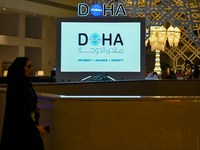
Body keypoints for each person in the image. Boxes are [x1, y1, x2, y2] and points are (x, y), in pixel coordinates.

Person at [0, 57, 47, 150]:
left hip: (30, 128)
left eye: (31, 66)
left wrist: (35, 109)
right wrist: (35, 127)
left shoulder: (26, 84)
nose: (32, 69)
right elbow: (18, 112)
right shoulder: (15, 87)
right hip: (19, 133)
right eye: (29, 67)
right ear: (20, 69)